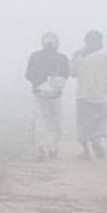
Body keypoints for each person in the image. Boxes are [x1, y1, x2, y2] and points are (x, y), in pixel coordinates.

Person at [25, 32, 69, 161]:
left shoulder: (35, 56)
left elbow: (28, 75)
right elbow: (66, 74)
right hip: (55, 95)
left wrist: (39, 83)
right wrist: (54, 83)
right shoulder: (62, 58)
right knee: (55, 121)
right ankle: (53, 148)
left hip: (38, 93)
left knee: (40, 121)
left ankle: (41, 148)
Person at [71, 30, 107, 159]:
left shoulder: (78, 56)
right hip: (100, 96)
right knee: (99, 121)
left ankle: (85, 150)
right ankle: (96, 140)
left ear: (86, 41)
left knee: (83, 124)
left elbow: (73, 73)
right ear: (100, 41)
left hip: (82, 95)